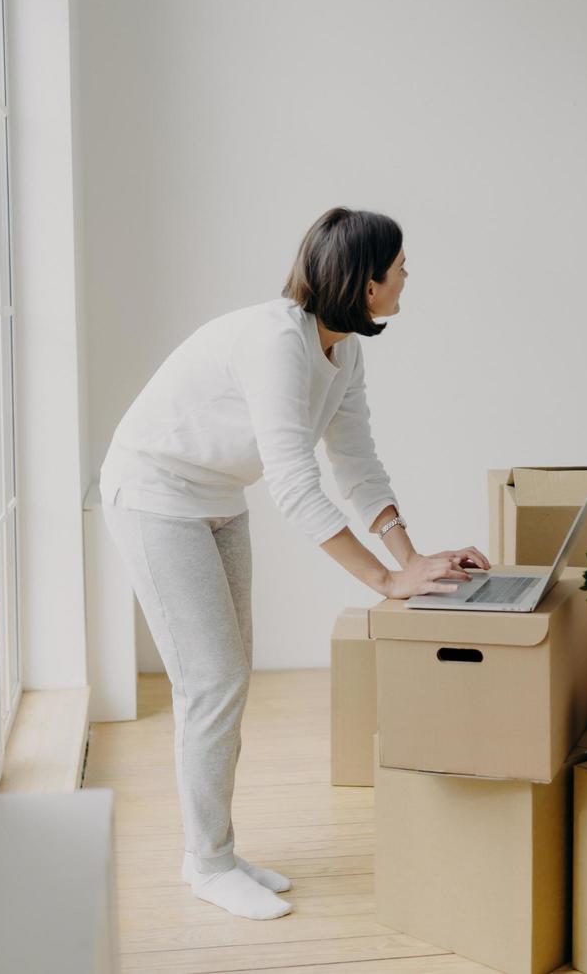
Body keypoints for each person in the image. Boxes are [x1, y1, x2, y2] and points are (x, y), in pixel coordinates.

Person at [99, 207, 489, 920]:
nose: (408, 277)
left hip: (217, 495)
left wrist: (414, 560)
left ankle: (215, 850)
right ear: (368, 282)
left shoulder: (344, 348)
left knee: (228, 675)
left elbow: (357, 465)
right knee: (210, 683)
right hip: (154, 494)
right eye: (401, 266)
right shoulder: (277, 343)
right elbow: (293, 484)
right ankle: (207, 862)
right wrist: (381, 579)